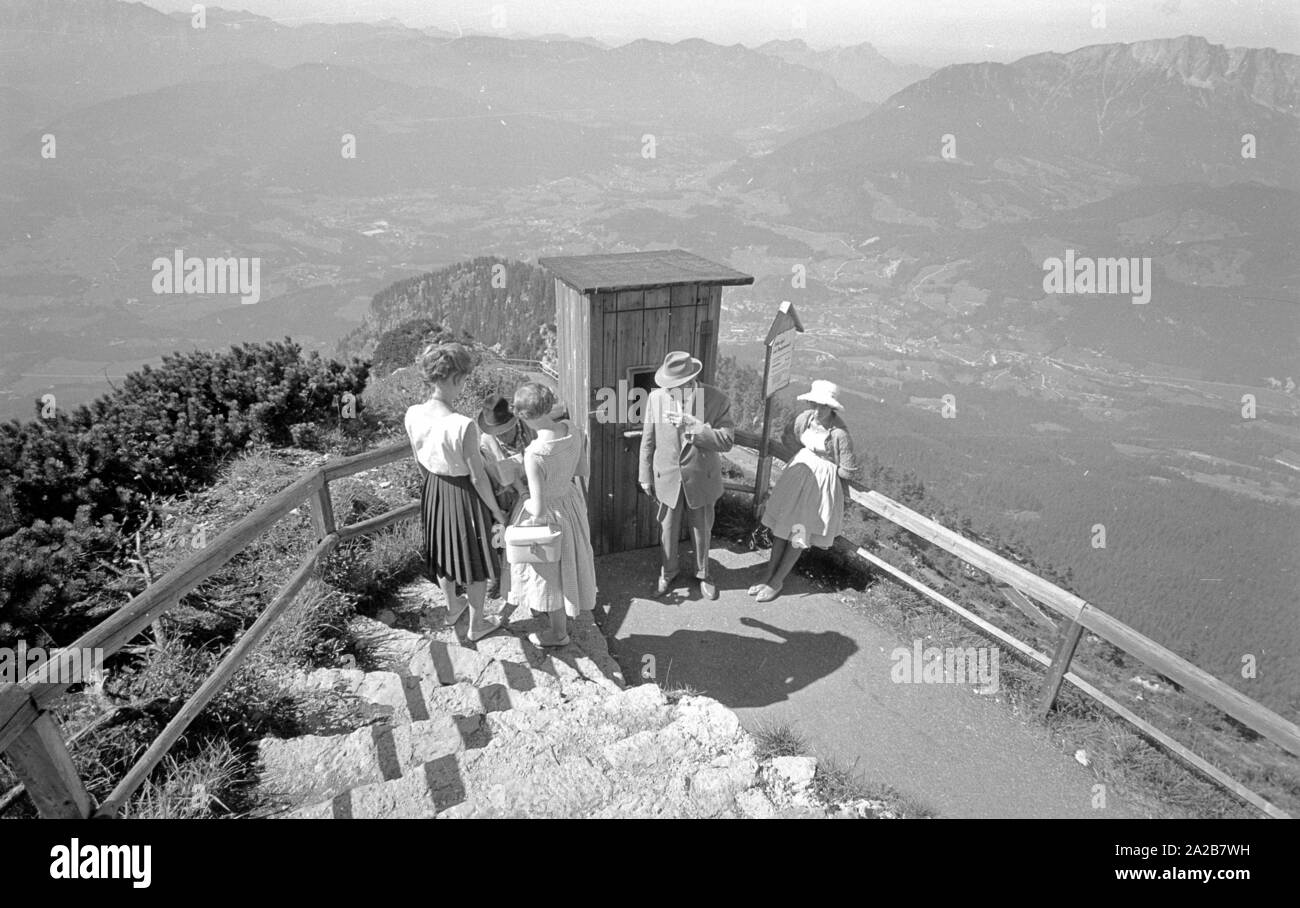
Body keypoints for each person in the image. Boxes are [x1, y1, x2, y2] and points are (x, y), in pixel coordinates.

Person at [404, 343, 509, 641]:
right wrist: (495, 510)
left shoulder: (413, 414)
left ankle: (452, 607)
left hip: (434, 489)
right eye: (464, 378)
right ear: (456, 379)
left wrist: (434, 488)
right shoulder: (463, 426)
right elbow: (477, 477)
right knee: (477, 559)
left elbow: (418, 460)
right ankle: (477, 625)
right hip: (465, 495)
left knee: (442, 550)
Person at [505, 382, 598, 647]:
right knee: (571, 563)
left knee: (551, 574)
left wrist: (520, 489)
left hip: (550, 515)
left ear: (523, 416)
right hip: (571, 503)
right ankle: (568, 616)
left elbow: (539, 506)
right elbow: (581, 469)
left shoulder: (534, 453)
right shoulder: (573, 430)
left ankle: (558, 634)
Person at [638, 350, 735, 600]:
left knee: (702, 529)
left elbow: (725, 442)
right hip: (666, 478)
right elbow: (647, 440)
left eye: (673, 386)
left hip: (702, 478)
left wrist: (692, 425)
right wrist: (645, 475)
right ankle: (668, 573)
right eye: (667, 386)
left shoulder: (717, 399)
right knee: (666, 530)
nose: (668, 391)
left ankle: (704, 574)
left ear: (689, 381)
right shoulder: (656, 398)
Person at [754, 380, 859, 602]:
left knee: (799, 532)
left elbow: (848, 470)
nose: (818, 409)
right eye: (815, 404)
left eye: (823, 406)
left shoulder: (840, 433)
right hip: (797, 474)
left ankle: (777, 580)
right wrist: (803, 456)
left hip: (819, 485)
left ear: (832, 407)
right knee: (783, 526)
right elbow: (787, 437)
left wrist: (825, 470)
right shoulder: (805, 419)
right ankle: (768, 572)